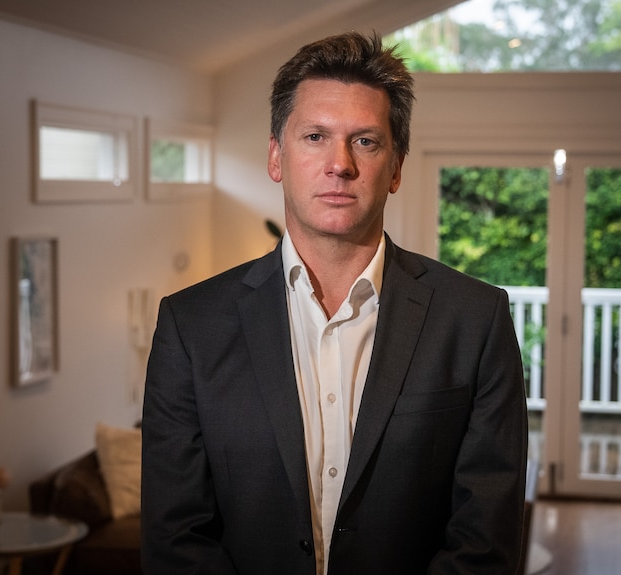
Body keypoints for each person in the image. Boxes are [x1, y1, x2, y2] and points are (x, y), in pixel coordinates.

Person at [141, 31, 528, 575]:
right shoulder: (190, 325)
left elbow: (485, 542)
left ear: (396, 167)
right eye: (316, 136)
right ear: (277, 156)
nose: (340, 164)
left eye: (365, 141)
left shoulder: (474, 320)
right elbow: (174, 538)